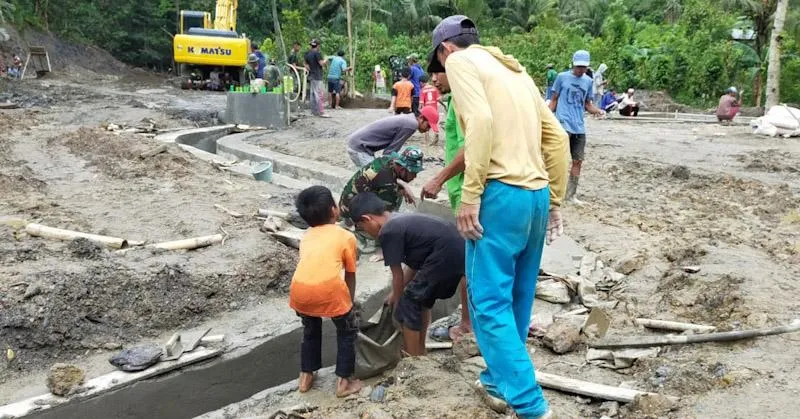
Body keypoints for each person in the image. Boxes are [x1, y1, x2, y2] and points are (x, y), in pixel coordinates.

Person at [428, 15, 568, 419]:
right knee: (518, 296)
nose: (443, 75)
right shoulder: (515, 71)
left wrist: (470, 196)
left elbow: (482, 125)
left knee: (487, 302)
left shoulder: (460, 62)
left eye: (439, 66)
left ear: (445, 49)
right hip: (537, 196)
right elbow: (556, 139)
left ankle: (530, 406)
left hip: (501, 196)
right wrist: (555, 200)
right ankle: (496, 378)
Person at [348, 192, 466, 356]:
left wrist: (398, 305)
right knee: (421, 301)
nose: (366, 232)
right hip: (458, 251)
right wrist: (393, 294)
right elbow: (412, 266)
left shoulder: (388, 232)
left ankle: (412, 360)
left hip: (445, 255)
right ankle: (420, 351)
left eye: (362, 228)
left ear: (367, 219)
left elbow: (397, 275)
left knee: (408, 304)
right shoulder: (399, 220)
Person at [289, 186, 362, 398]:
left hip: (299, 290)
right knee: (346, 331)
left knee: (310, 330)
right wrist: (350, 301)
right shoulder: (345, 236)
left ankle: (306, 377)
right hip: (329, 289)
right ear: (334, 210)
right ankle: (343, 382)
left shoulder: (307, 235)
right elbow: (350, 274)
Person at [419, 67, 472, 341]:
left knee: (470, 262)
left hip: (467, 193)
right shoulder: (452, 101)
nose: (434, 81)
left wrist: (438, 180)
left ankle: (467, 325)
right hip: (460, 192)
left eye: (437, 74)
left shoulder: (463, 101)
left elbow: (469, 148)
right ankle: (469, 320)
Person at [339, 147, 424, 257]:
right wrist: (386, 246)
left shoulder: (389, 160)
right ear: (402, 169)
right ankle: (361, 235)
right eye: (413, 173)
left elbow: (383, 180)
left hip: (350, 202)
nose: (415, 177)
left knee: (398, 192)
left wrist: (403, 185)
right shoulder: (388, 185)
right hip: (353, 212)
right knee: (392, 206)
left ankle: (349, 227)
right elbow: (386, 217)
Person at [549, 50, 605, 205]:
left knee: (578, 160)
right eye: (579, 66)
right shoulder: (561, 78)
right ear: (573, 64)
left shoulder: (588, 81)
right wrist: (546, 118)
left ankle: (571, 194)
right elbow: (554, 100)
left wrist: (598, 111)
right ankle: (553, 192)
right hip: (563, 123)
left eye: (584, 67)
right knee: (558, 159)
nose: (581, 70)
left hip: (579, 126)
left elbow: (587, 105)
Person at [347, 107, 439, 168]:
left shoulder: (409, 118)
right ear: (421, 118)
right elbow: (389, 153)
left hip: (359, 144)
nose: (428, 130)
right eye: (428, 126)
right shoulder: (411, 125)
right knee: (376, 179)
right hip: (360, 148)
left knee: (372, 178)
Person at [305, 39, 329, 118]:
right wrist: (326, 60)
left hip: (311, 76)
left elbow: (306, 66)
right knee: (318, 94)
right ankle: (321, 112)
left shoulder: (307, 54)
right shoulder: (317, 53)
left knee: (312, 94)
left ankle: (314, 111)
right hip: (317, 76)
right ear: (318, 46)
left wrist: (311, 70)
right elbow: (321, 63)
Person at [420, 75, 441, 145]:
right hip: (434, 110)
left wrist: (421, 112)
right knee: (434, 124)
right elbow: (439, 99)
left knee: (425, 124)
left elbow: (422, 103)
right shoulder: (434, 88)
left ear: (422, 83)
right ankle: (436, 133)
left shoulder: (423, 90)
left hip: (426, 111)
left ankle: (426, 141)